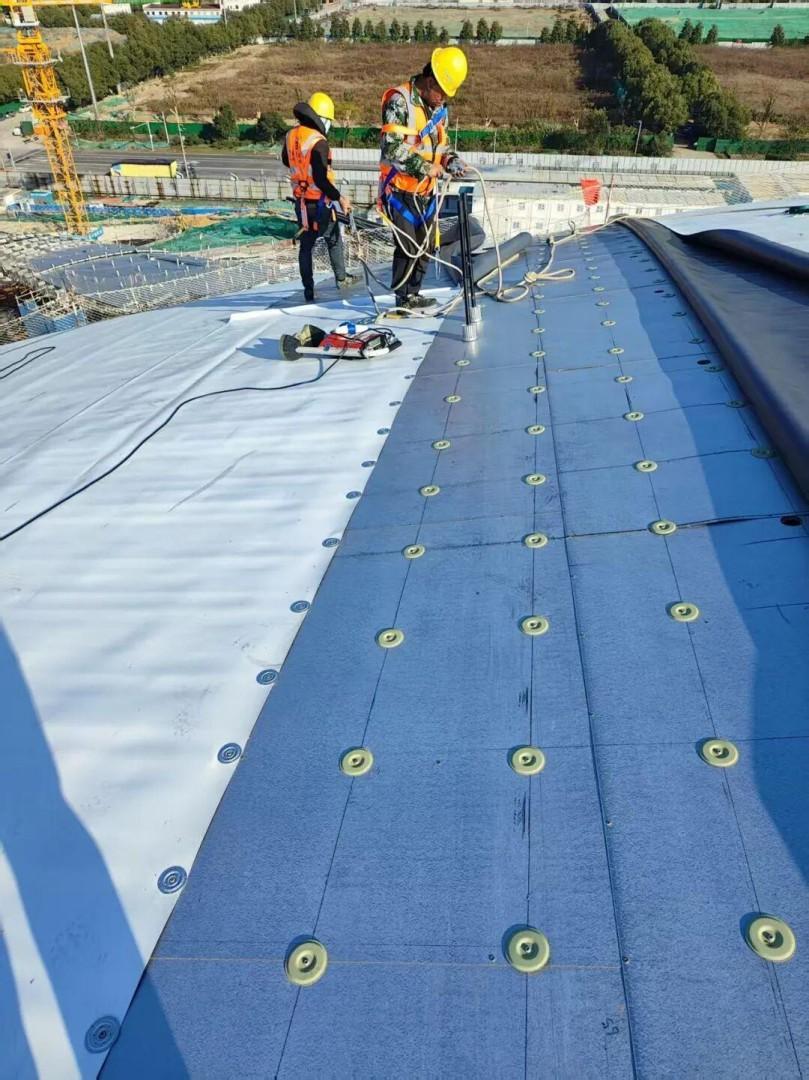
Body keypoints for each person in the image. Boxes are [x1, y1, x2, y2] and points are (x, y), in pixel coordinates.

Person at [379, 46, 469, 312]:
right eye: (442, 92)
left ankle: (414, 294)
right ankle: (402, 299)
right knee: (407, 245)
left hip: (426, 192)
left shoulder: (438, 110)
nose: (443, 99)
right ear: (429, 82)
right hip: (401, 190)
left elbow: (441, 147)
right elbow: (392, 147)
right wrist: (424, 167)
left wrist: (451, 162)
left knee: (427, 245)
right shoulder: (400, 101)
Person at [283, 91, 355, 303]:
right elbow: (321, 179)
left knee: (306, 246)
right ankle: (341, 279)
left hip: (301, 203)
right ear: (322, 119)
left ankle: (308, 289)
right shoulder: (318, 142)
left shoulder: (291, 136)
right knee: (333, 239)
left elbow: (287, 161)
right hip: (320, 204)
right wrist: (340, 198)